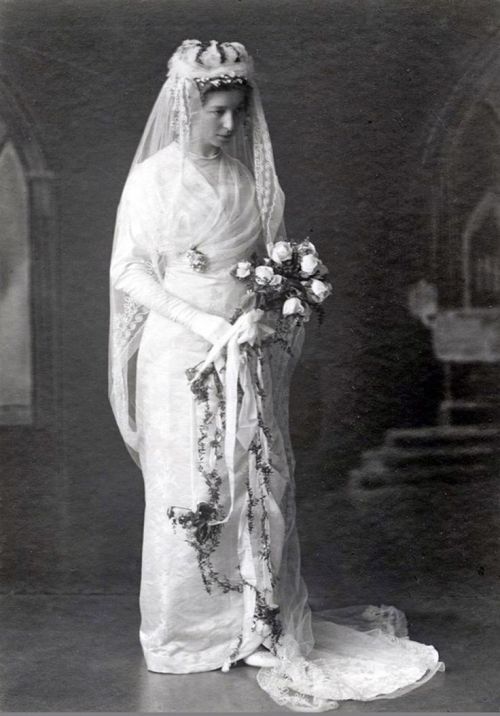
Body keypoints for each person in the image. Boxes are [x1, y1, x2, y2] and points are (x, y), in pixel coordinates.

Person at [109, 39, 444, 711]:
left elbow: (267, 270)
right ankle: (186, 634)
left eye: (238, 113)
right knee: (190, 485)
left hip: (248, 349)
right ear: (185, 107)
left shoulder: (248, 181)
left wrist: (266, 315)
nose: (230, 126)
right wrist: (203, 325)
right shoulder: (154, 180)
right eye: (217, 113)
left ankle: (252, 624)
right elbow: (129, 273)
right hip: (179, 356)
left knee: (250, 481)